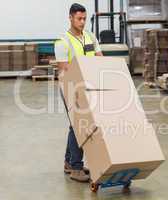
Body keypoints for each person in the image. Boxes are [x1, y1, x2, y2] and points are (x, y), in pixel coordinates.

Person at [55, 3, 103, 182]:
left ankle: (69, 162)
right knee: (79, 126)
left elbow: (100, 59)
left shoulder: (90, 37)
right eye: (79, 19)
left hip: (89, 87)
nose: (82, 22)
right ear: (70, 18)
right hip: (71, 88)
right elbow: (64, 68)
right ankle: (76, 167)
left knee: (75, 126)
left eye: (84, 18)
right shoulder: (62, 41)